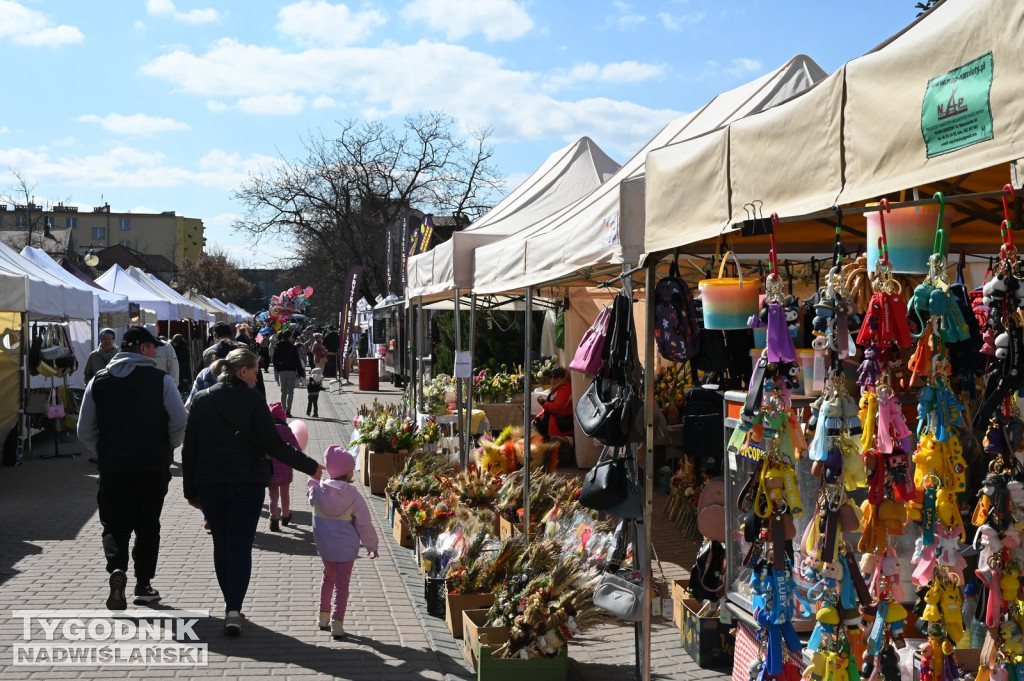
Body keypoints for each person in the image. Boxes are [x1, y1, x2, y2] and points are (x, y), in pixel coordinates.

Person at [182, 348, 322, 636]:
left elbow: (189, 450)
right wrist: (311, 467)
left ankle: (230, 603)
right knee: (240, 546)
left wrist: (190, 491)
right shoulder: (253, 400)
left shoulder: (201, 400)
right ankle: (234, 608)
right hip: (247, 483)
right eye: (256, 373)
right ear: (242, 371)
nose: (257, 378)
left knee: (222, 544)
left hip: (211, 484)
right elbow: (274, 445)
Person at [77, 326, 188, 610]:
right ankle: (143, 585)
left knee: (114, 524)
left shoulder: (98, 381)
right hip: (152, 465)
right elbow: (180, 421)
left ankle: (117, 569)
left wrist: (101, 449)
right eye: (153, 348)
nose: (155, 353)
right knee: (147, 524)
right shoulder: (161, 380)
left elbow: (84, 429)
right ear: (142, 348)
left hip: (113, 467)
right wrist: (170, 445)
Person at [308, 445, 378, 639]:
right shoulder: (353, 495)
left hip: (325, 547)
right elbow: (364, 523)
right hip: (346, 549)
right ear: (347, 472)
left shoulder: (318, 491)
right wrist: (371, 545)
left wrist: (314, 477)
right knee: (342, 584)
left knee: (327, 578)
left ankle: (323, 616)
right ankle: (337, 622)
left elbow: (310, 491)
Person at [534, 366, 575, 468]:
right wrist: (538, 417)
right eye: (551, 377)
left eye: (556, 377)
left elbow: (557, 408)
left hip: (560, 427)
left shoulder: (564, 389)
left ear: (563, 377)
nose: (553, 379)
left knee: (558, 451)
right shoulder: (559, 388)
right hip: (554, 426)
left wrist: (543, 403)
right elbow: (549, 407)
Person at [267, 401, 297, 532]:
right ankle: (285, 516)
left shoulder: (267, 430)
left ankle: (273, 519)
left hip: (270, 469)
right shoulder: (288, 431)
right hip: (285, 468)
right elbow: (296, 448)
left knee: (272, 495)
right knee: (285, 494)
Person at [272, 328, 305, 417]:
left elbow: (274, 360)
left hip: (282, 371)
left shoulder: (277, 346)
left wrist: (278, 369)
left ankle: (283, 409)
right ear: (290, 337)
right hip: (291, 371)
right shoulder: (293, 347)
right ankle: (288, 410)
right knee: (290, 391)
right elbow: (297, 360)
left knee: (283, 391)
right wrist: (300, 372)